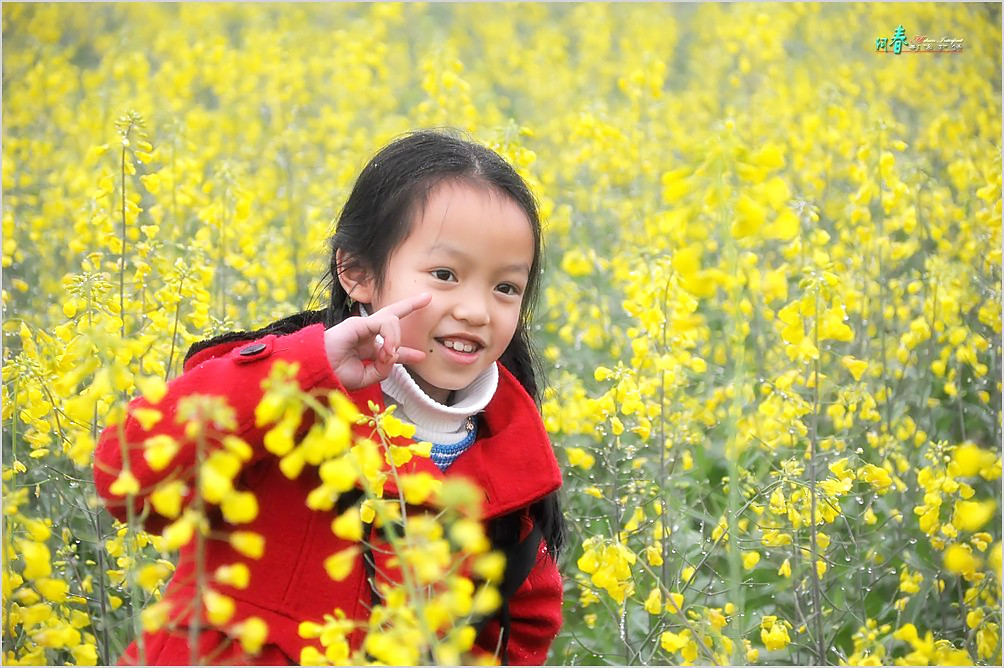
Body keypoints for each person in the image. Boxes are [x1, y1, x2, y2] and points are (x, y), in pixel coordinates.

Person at [93, 130, 566, 665]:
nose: (478, 310)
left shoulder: (511, 459)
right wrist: (306, 369)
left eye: (506, 287)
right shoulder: (282, 391)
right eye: (444, 275)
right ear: (356, 272)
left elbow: (521, 623)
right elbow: (124, 476)